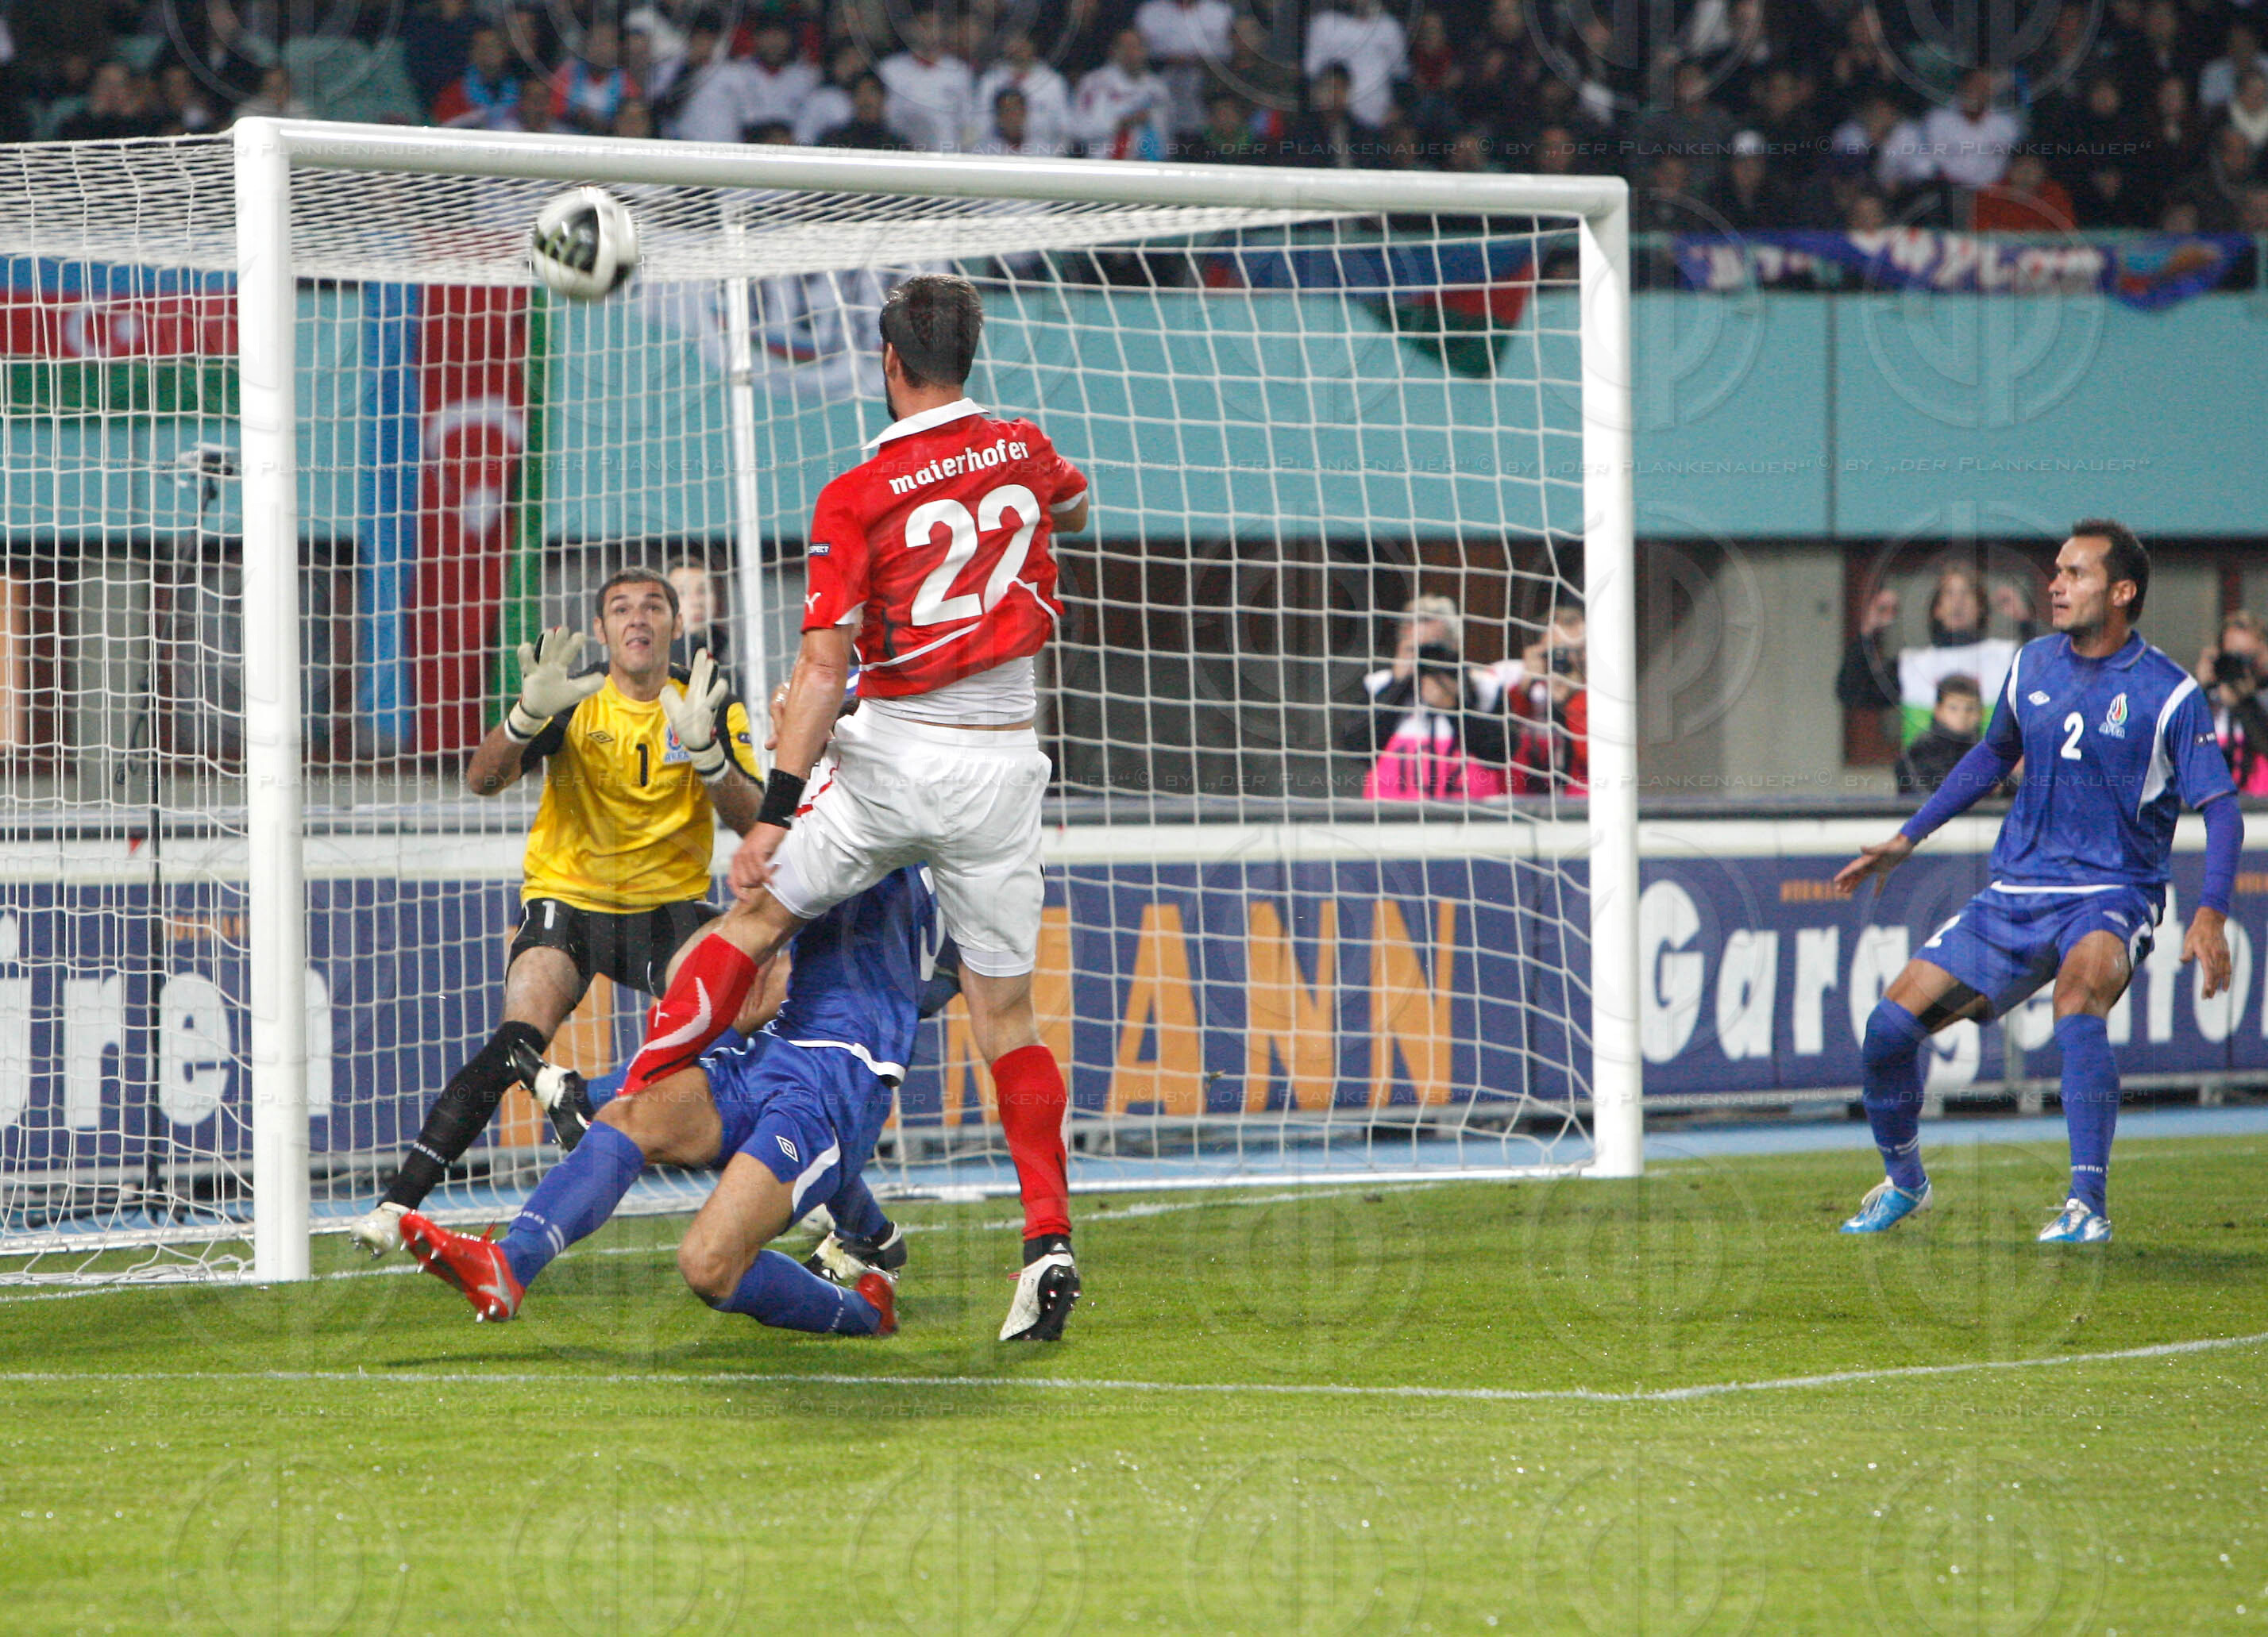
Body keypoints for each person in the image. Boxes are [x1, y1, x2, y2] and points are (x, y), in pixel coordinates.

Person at [601, 275, 1091, 1342]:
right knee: (1006, 1015)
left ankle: (635, 1097)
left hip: (902, 756)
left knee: (760, 916)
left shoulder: (860, 491)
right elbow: (1073, 500)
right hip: (1007, 762)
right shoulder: (1023, 444)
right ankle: (1047, 1240)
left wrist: (774, 810)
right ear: (970, 353)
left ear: (887, 361)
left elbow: (823, 671)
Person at [1833, 520, 2242, 1243]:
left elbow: (2221, 807)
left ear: (2122, 591)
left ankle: (2087, 1205)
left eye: (2075, 574)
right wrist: (1907, 838)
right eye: (2057, 570)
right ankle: (1906, 1183)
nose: (2055, 584)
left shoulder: (2168, 694)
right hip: (2017, 892)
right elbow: (1990, 757)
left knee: (2077, 996)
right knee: (1886, 1032)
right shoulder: (2031, 666)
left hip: (2115, 891)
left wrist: (2210, 910)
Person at [347, 570, 764, 1257]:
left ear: (675, 625)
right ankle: (396, 1205)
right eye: (621, 608)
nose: (638, 618)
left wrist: (711, 758)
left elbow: (754, 823)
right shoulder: (573, 698)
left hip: (666, 912)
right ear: (601, 632)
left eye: (653, 607)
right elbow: (481, 780)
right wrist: (521, 719)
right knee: (517, 1035)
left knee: (758, 1006)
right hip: (567, 899)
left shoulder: (711, 699)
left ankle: (791, 1184)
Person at [400, 860, 954, 1338]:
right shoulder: (892, 840)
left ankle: (864, 1313)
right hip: (775, 1055)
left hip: (839, 1085)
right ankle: (509, 1266)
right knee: (631, 1115)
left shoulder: (866, 828)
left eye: (782, 729)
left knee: (709, 1265)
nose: (772, 739)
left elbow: (749, 974)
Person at [1342, 642, 1509, 801]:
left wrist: (1454, 707)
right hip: (1392, 815)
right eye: (1413, 649)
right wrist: (1397, 686)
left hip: (1472, 816)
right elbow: (1357, 749)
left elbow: (1500, 754)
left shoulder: (1485, 686)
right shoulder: (1378, 685)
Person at [2197, 611, 2268, 795]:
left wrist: (2244, 703)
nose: (2238, 666)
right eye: (2231, 656)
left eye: (2247, 657)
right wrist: (2200, 691)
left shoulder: (2260, 701)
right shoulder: (2207, 704)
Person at [1895, 673, 1989, 794]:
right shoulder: (1920, 752)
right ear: (1938, 711)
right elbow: (1933, 795)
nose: (1962, 716)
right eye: (1953, 708)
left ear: (1981, 713)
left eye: (1970, 709)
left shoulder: (1988, 750)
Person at [667, 557, 732, 679]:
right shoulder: (655, 667)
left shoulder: (728, 671)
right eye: (682, 592)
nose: (696, 602)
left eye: (702, 591)